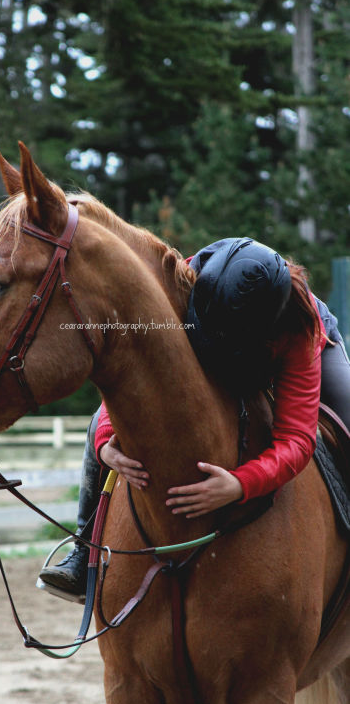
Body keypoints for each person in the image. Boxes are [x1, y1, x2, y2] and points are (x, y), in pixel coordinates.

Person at [38, 237, 350, 598]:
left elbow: (297, 440)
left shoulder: (297, 329)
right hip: (204, 326)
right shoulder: (182, 283)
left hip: (284, 343)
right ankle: (83, 553)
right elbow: (135, 366)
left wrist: (240, 484)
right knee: (98, 423)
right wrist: (105, 440)